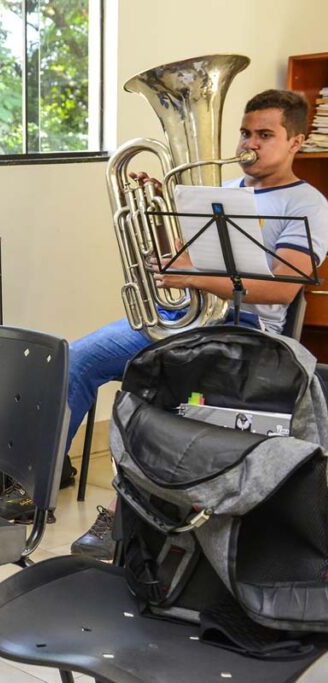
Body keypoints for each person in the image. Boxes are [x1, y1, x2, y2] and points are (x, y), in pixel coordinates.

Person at [70, 89, 328, 560]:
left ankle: (123, 515)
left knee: (157, 389)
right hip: (186, 318)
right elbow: (184, 260)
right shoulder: (218, 190)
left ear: (296, 141)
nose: (249, 143)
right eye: (245, 132)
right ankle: (34, 485)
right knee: (76, 360)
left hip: (248, 334)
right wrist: (154, 207)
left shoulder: (307, 204)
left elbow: (280, 289)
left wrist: (190, 275)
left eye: (265, 135)